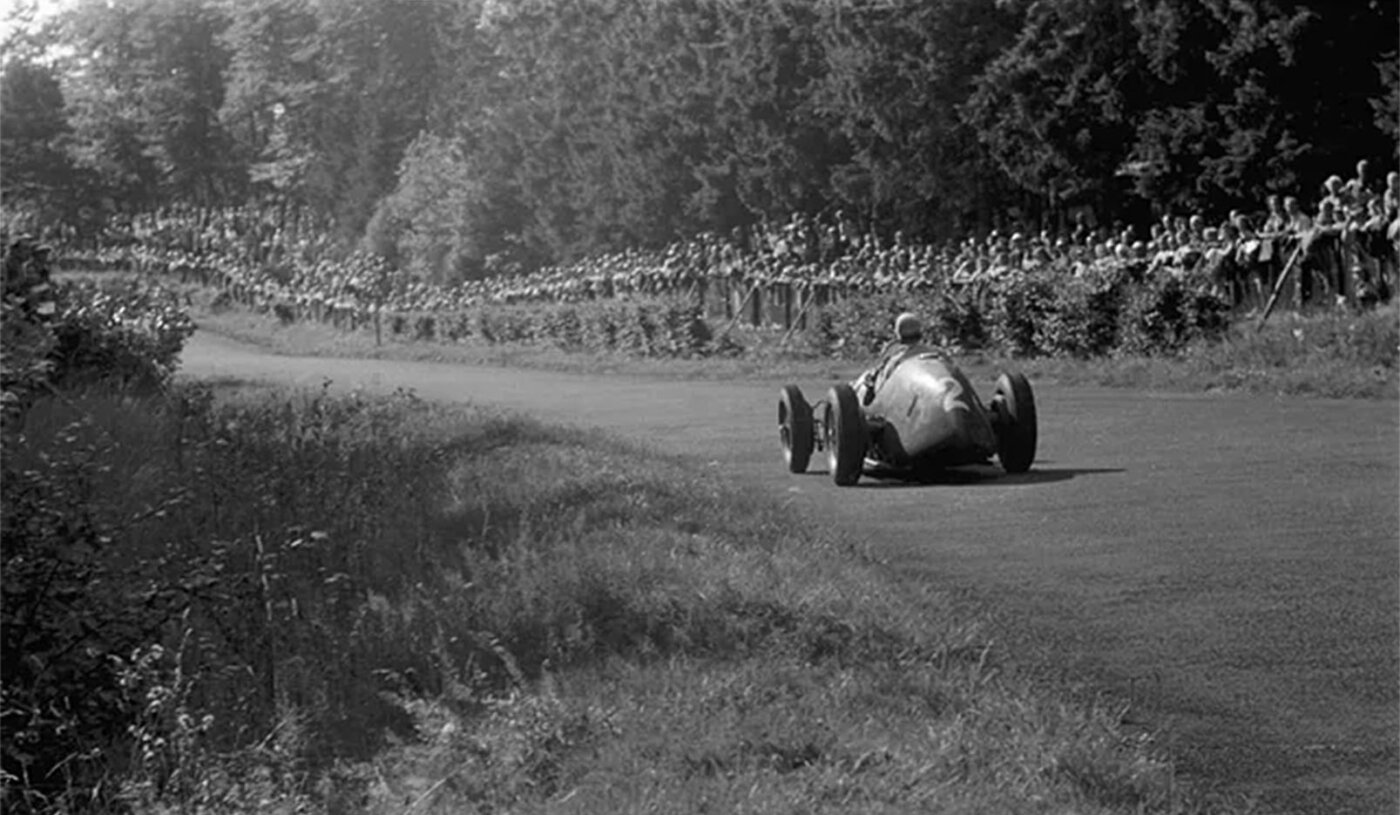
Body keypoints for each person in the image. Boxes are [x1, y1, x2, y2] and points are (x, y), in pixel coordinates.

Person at [855, 312, 924, 405]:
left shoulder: (893, 355)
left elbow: (880, 380)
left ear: (898, 332)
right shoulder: (936, 353)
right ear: (920, 332)